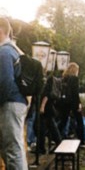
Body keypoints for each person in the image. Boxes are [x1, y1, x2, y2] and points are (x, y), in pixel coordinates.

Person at [0, 18, 29, 170]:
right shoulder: (12, 50)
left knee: (12, 149)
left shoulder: (4, 52)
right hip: (16, 102)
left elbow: (4, 82)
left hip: (10, 103)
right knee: (11, 147)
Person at [58, 62, 85, 148]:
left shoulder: (64, 78)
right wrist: (78, 104)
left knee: (63, 120)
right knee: (79, 122)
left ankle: (54, 135)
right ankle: (81, 141)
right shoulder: (74, 79)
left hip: (64, 102)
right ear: (75, 70)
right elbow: (75, 93)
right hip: (73, 102)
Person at [37, 76, 63, 154]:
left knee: (42, 127)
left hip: (46, 107)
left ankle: (41, 147)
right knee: (50, 125)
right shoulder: (54, 81)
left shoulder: (46, 82)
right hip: (50, 107)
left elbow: (46, 95)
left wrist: (42, 106)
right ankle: (57, 143)